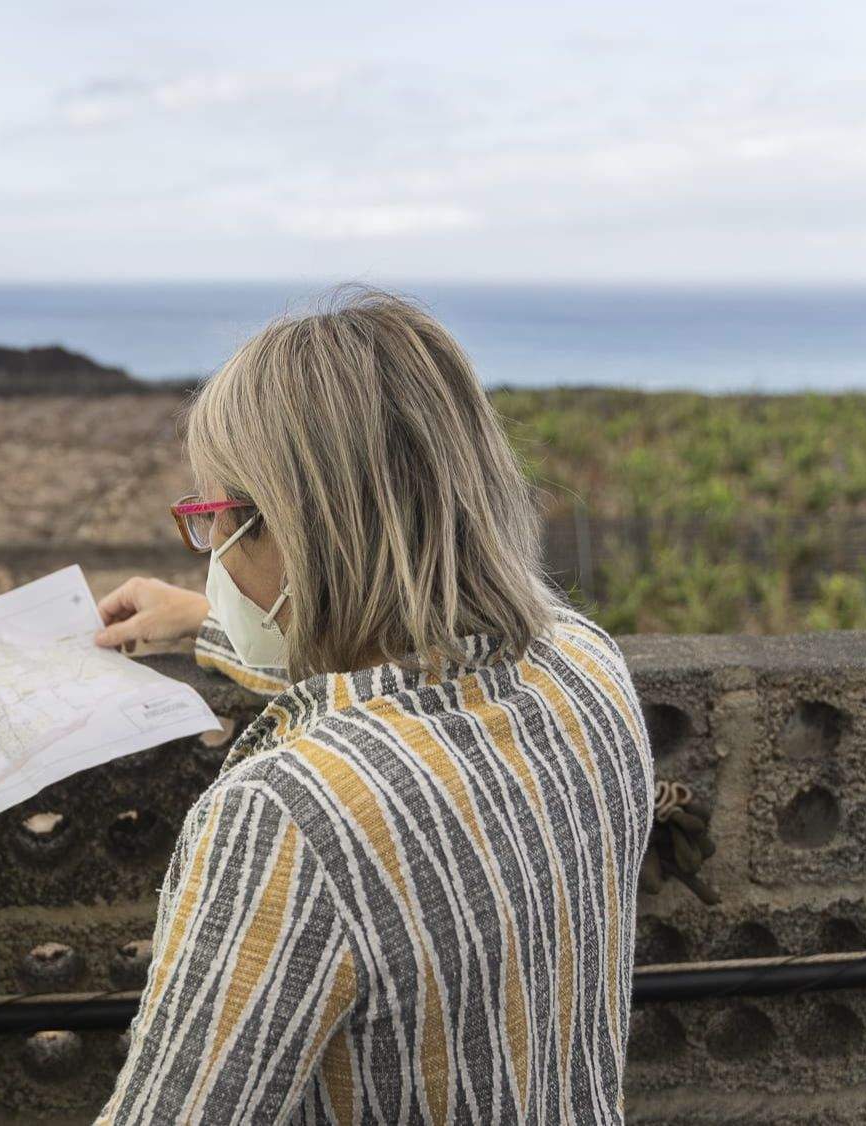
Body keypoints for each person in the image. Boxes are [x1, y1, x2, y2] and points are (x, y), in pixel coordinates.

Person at [90, 289, 653, 1123]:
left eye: (212, 520)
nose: (212, 551)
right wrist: (209, 624)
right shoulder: (586, 666)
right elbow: (408, 687)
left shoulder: (291, 816)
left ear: (295, 531)